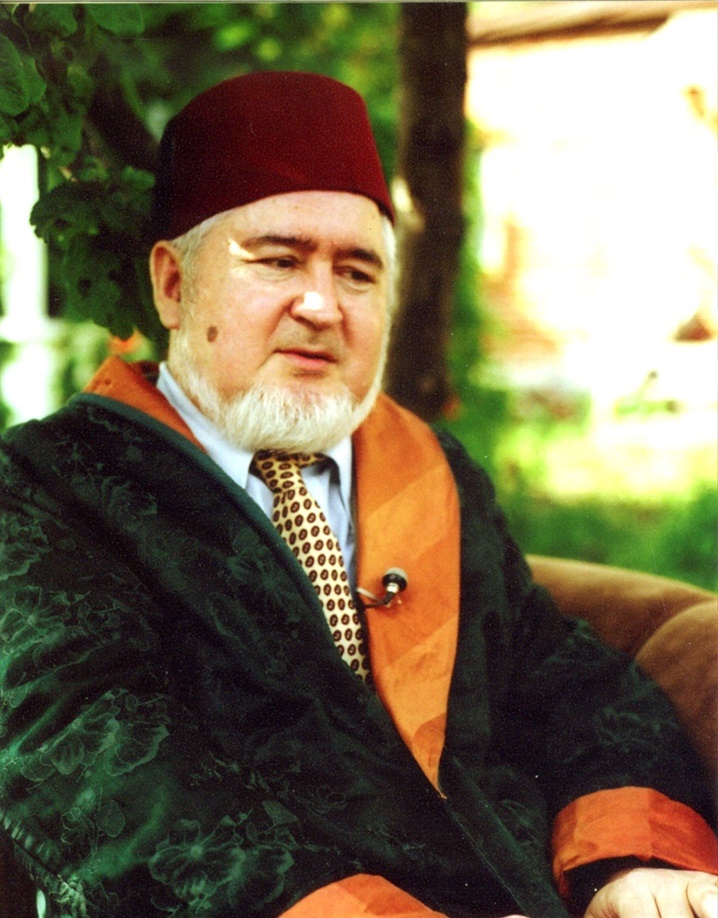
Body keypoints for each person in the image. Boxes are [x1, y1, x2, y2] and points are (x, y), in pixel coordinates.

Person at [0, 71, 715, 918]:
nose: (321, 305)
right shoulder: (52, 488)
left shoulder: (433, 472)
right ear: (173, 286)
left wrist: (627, 867)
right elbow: (96, 759)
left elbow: (564, 681)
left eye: (358, 272)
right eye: (278, 260)